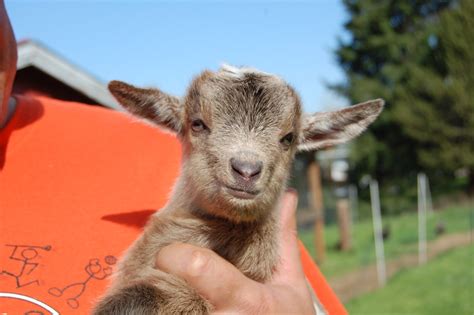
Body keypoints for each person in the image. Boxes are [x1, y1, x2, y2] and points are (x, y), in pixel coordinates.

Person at [0, 2, 346, 314]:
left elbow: (299, 297)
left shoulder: (156, 152)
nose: (247, 164)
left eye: (284, 138)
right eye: (201, 125)